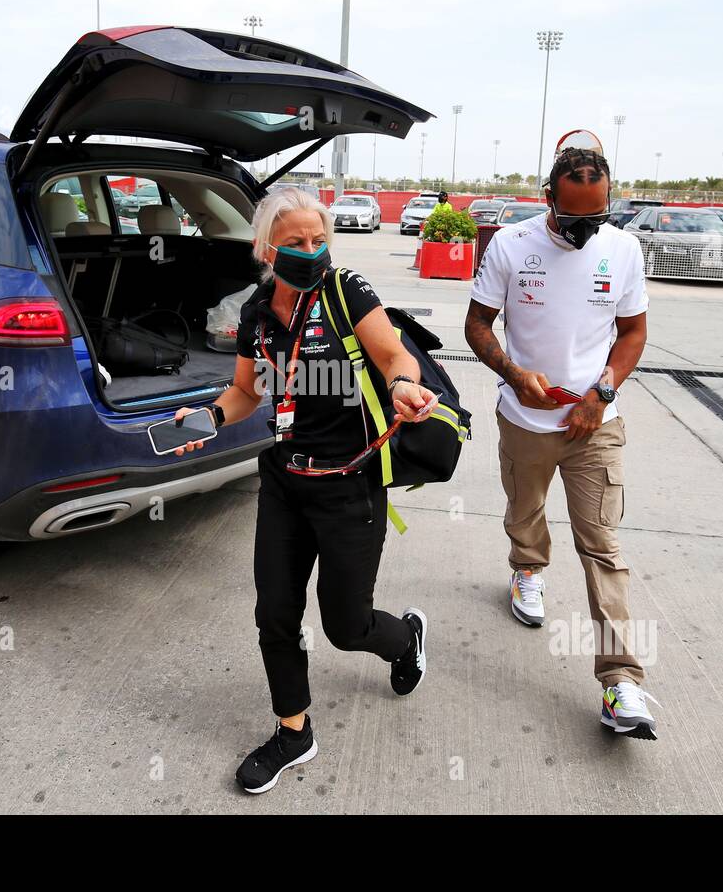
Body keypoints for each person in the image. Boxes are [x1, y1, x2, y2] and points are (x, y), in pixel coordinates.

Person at [173, 187, 439, 792]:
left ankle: (404, 639)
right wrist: (208, 418)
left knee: (346, 626)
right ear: (267, 247)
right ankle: (294, 732)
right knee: (275, 614)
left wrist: (402, 386)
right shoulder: (256, 312)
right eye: (295, 242)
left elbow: (394, 353)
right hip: (285, 483)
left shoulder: (347, 291)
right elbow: (246, 391)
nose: (310, 250)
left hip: (350, 485)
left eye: (318, 239)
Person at [463, 147, 660, 740]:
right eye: (574, 220)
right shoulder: (511, 246)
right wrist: (514, 374)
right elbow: (476, 324)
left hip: (595, 425)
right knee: (525, 513)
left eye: (596, 219)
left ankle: (621, 682)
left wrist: (602, 392)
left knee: (602, 545)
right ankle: (527, 568)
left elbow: (633, 333)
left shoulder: (622, 250)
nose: (586, 232)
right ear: (548, 198)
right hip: (525, 420)